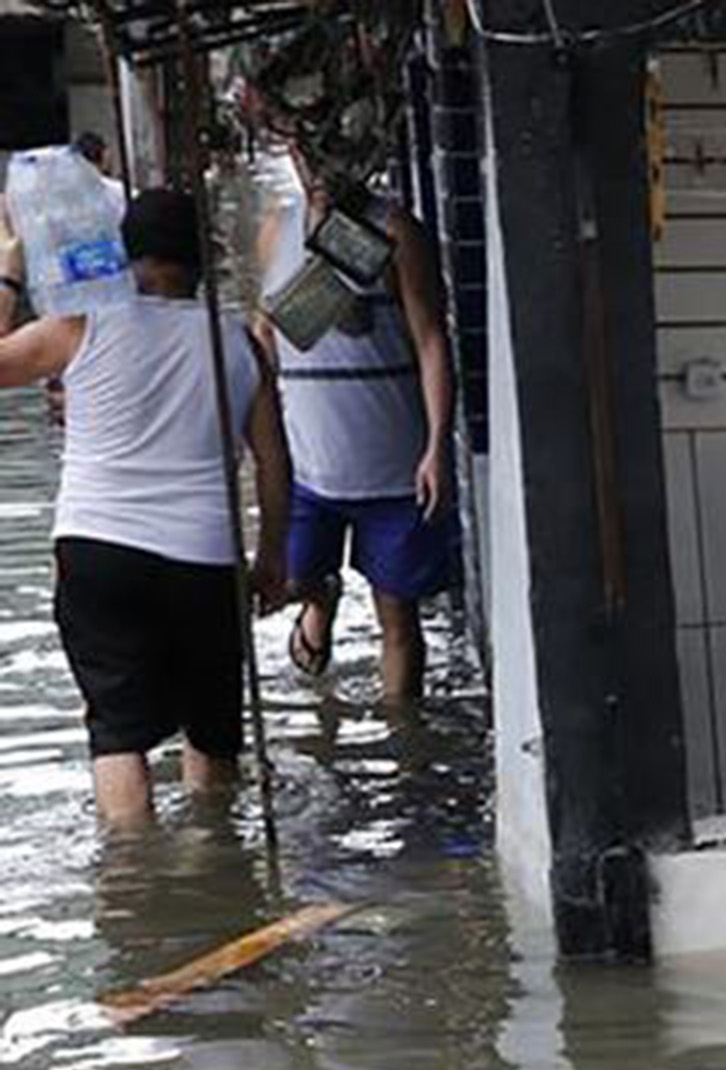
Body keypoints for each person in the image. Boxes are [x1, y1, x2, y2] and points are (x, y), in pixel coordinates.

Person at [0, 188, 289, 827]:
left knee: (117, 732)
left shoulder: (81, 326)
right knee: (212, 732)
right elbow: (274, 461)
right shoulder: (240, 342)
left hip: (98, 553)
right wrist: (272, 556)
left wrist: (8, 269)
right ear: (202, 263)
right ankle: (216, 870)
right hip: (204, 558)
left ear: (124, 259)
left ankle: (135, 886)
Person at [257, 155, 456, 702]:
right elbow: (268, 335)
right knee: (294, 579)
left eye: (328, 149)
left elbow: (431, 339)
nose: (316, 165)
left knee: (398, 615)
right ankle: (321, 599)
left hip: (391, 464)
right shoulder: (277, 228)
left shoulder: (394, 230)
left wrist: (437, 446)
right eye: (304, 153)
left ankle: (402, 746)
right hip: (307, 463)